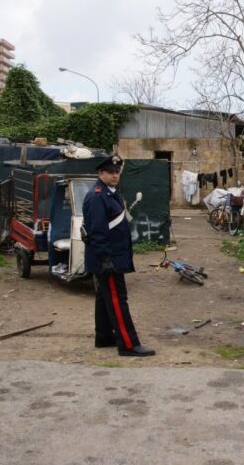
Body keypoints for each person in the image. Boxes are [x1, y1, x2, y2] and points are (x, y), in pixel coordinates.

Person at [83, 153, 155, 357]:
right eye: (110, 172)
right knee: (117, 299)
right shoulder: (98, 196)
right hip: (108, 258)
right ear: (100, 173)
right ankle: (128, 344)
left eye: (117, 172)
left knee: (104, 297)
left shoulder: (111, 193)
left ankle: (104, 336)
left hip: (113, 255)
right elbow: (97, 231)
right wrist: (105, 259)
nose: (115, 175)